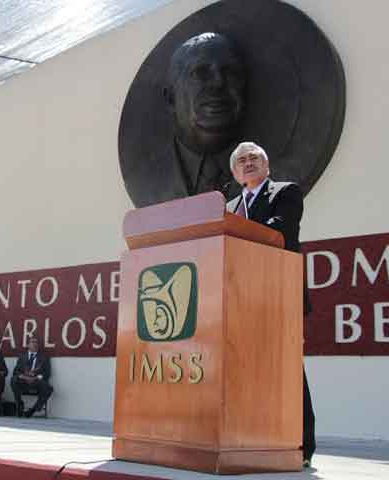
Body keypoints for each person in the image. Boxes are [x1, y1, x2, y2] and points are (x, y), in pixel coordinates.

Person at [226, 141, 315, 467]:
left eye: (254, 158)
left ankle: (301, 446)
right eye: (241, 160)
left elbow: (281, 229)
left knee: (286, 371)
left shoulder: (286, 192)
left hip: (279, 292)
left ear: (266, 166)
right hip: (240, 298)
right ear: (235, 173)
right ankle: (252, 439)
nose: (248, 162)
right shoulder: (230, 206)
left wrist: (231, 231)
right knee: (247, 372)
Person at [142, 32, 247, 206]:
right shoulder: (148, 177)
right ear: (171, 98)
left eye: (230, 72)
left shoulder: (275, 176)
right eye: (200, 73)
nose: (219, 82)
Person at [11, 337, 53, 418]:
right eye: (32, 342)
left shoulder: (44, 357)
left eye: (36, 342)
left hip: (36, 381)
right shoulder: (22, 356)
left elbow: (47, 373)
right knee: (14, 380)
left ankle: (32, 410)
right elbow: (16, 371)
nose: (35, 344)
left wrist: (36, 378)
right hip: (24, 381)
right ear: (28, 345)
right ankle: (19, 405)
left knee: (48, 388)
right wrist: (24, 377)